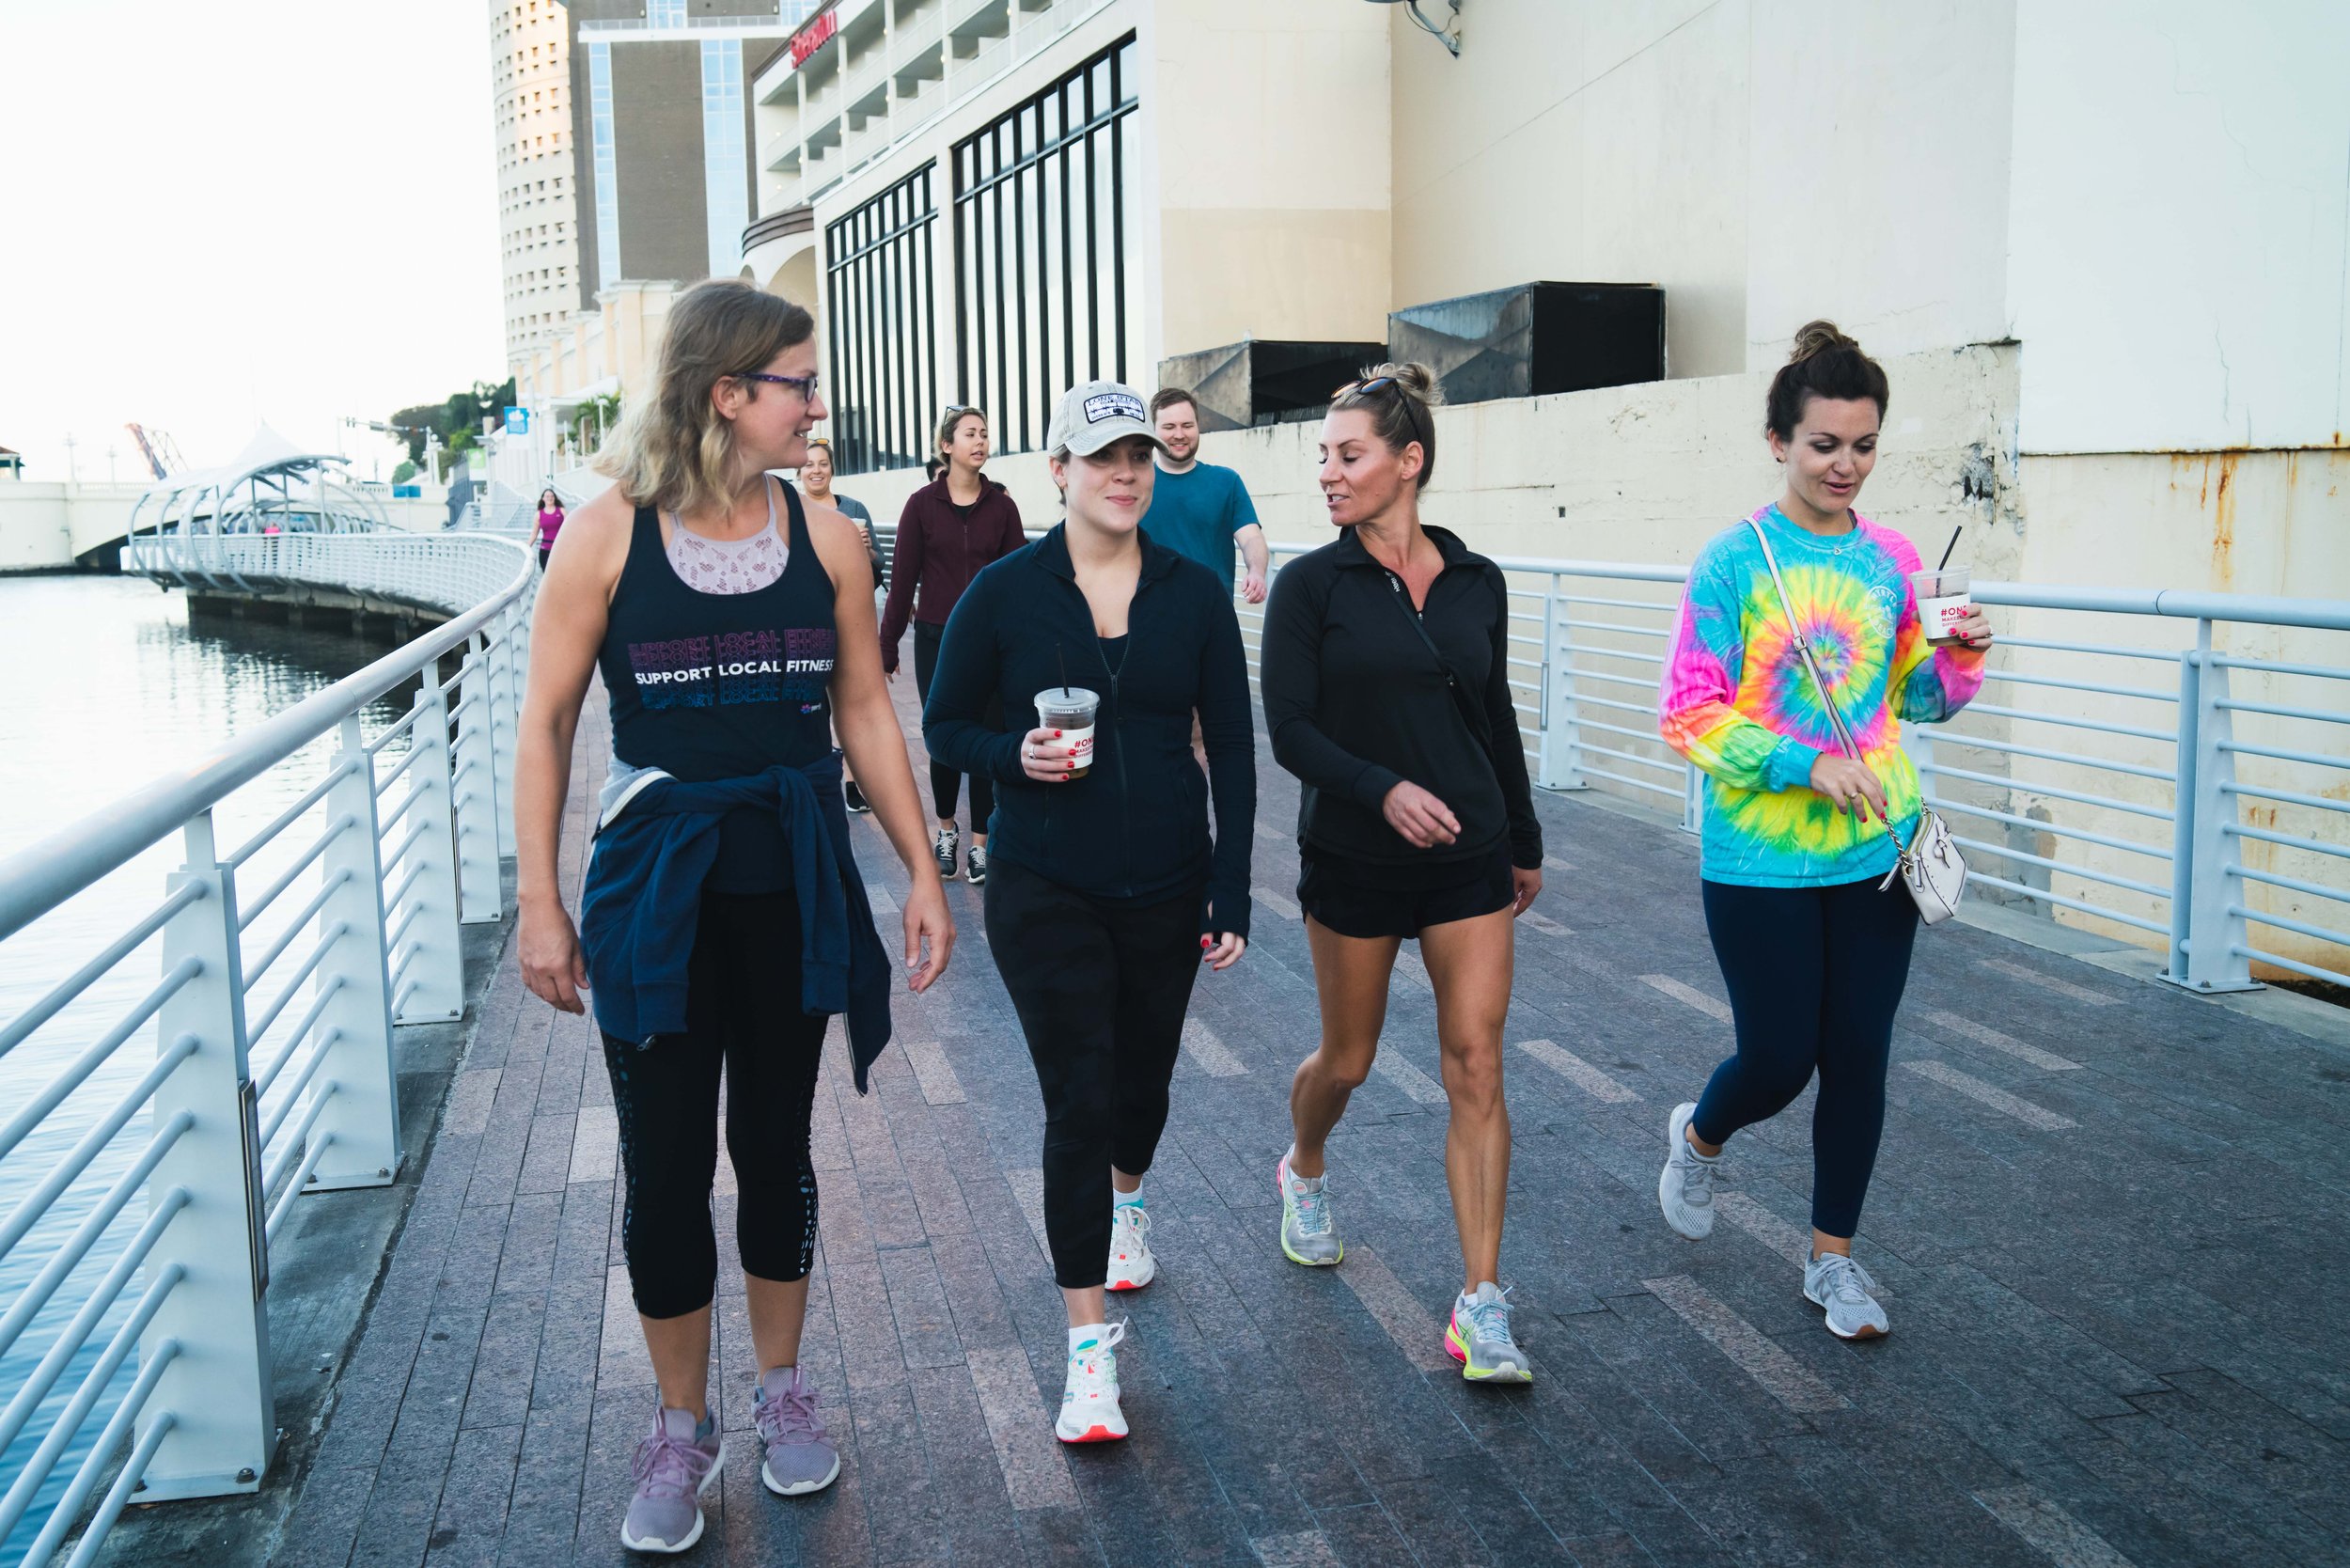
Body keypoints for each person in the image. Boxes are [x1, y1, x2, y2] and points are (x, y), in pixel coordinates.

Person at [512, 279, 954, 1555]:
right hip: (654, 897)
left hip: (789, 883)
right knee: (664, 1173)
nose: (815, 406)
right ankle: (678, 1426)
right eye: (798, 384)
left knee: (774, 1147)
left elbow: (866, 707)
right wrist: (542, 903)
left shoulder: (824, 538)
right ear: (728, 394)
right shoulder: (603, 536)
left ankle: (781, 1392)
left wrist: (922, 869)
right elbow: (546, 727)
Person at [925, 380, 1255, 1445]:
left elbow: (1238, 754)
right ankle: (1085, 1356)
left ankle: (1129, 1198)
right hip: (1044, 888)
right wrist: (1010, 758)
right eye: (1101, 457)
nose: (1125, 474)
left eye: (1138, 459)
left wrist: (1231, 883)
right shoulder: (1008, 594)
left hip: (1166, 882)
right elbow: (943, 724)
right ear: (1059, 471)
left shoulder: (1193, 596)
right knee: (1075, 1098)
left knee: (1140, 1090)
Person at [1655, 321, 1992, 1341]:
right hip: (1758, 859)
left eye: (1862, 446)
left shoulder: (1893, 562)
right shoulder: (1733, 563)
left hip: (1875, 850)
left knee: (1857, 1057)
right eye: (1823, 445)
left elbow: (1919, 704)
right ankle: (1699, 1135)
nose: (1844, 465)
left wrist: (1966, 657)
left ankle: (1832, 1262)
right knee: (1777, 1059)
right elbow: (1687, 710)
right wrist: (1805, 762)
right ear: (1778, 442)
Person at [1260, 363, 1545, 1385]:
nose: (1329, 476)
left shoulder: (1476, 581)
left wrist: (1521, 838)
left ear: (1407, 461)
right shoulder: (1309, 587)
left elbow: (1493, 713)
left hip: (1467, 858)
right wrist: (1378, 788)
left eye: (1350, 455)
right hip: (1354, 857)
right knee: (1348, 1059)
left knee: (1476, 1060)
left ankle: (1481, 1301)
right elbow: (1286, 727)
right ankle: (1303, 1167)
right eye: (1325, 459)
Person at [878, 406, 1026, 885]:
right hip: (936, 637)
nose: (980, 441)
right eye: (970, 434)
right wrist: (887, 646)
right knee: (942, 737)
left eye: (985, 433)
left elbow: (1020, 580)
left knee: (986, 737)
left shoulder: (1002, 508)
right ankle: (946, 830)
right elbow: (902, 582)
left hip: (993, 642)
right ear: (948, 446)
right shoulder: (921, 505)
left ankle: (982, 842)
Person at [797, 437, 881, 813]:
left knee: (852, 700)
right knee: (813, 707)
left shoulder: (854, 509)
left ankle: (852, 782)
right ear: (799, 472)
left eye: (823, 464)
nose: (816, 470)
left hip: (849, 619)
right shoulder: (789, 512)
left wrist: (863, 551)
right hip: (806, 623)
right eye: (809, 464)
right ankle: (819, 779)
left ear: (832, 469)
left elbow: (876, 572)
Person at [1147, 387, 1268, 604]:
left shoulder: (1226, 481)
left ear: (1197, 427)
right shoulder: (1136, 484)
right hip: (1150, 616)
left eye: (1187, 425)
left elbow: (1251, 537)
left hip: (1213, 615)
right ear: (1152, 430)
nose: (1179, 434)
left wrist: (1257, 571)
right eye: (1169, 427)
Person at [536, 486, 566, 568]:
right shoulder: (539, 514)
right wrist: (527, 546)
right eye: (547, 496)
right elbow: (534, 534)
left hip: (560, 549)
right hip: (545, 550)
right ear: (543, 499)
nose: (550, 498)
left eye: (552, 496)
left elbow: (569, 529)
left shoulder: (561, 511)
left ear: (555, 498)